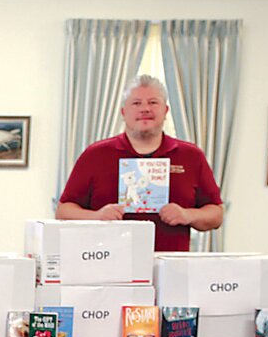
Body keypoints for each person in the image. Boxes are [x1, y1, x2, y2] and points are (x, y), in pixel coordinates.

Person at [56, 74, 223, 252]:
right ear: (123, 112)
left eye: (153, 102)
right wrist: (97, 216)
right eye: (136, 103)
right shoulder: (95, 155)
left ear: (166, 111)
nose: (145, 109)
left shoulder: (191, 156)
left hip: (171, 267)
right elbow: (63, 211)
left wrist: (187, 214)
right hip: (106, 265)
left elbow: (216, 214)